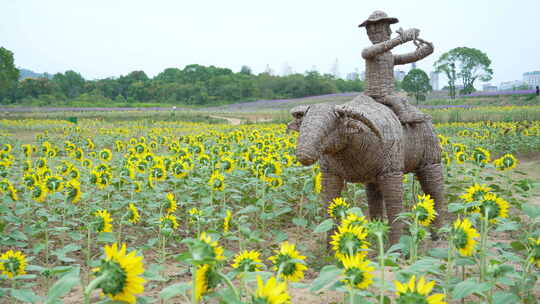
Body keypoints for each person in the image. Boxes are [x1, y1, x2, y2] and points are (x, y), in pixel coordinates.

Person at [359, 10, 433, 123]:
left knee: (402, 99)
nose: (390, 31)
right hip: (376, 95)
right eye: (386, 28)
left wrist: (425, 50)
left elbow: (409, 57)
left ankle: (411, 115)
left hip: (387, 93)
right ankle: (403, 117)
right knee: (396, 100)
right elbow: (379, 48)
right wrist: (401, 39)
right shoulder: (369, 52)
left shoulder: (389, 56)